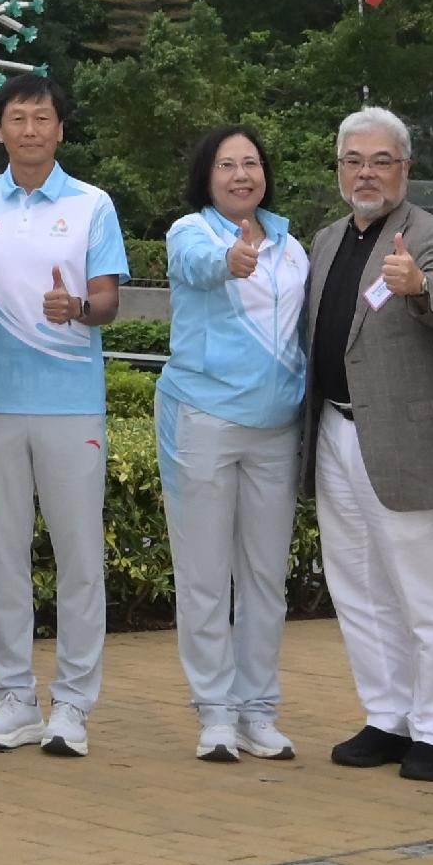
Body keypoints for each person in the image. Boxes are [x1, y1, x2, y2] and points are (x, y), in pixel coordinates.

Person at [0, 72, 124, 756]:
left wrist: (75, 307)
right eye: (18, 118)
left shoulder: (92, 205)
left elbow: (108, 300)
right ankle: (14, 698)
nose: (30, 129)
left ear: (60, 129)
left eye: (42, 117)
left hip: (70, 405)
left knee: (79, 557)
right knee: (2, 556)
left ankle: (73, 703)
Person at [307, 106, 433, 781]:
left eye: (381, 161)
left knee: (424, 593)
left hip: (408, 438)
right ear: (340, 169)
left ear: (405, 168)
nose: (366, 173)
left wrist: (421, 287)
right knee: (358, 586)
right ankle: (387, 717)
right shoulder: (327, 239)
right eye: (354, 161)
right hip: (334, 430)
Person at [154, 124, 308, 766]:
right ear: (207, 177)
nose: (241, 174)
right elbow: (197, 265)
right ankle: (215, 713)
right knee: (205, 576)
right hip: (204, 420)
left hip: (277, 427)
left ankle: (258, 711)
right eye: (226, 165)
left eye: (250, 163)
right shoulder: (191, 232)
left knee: (265, 578)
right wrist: (230, 262)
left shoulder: (292, 246)